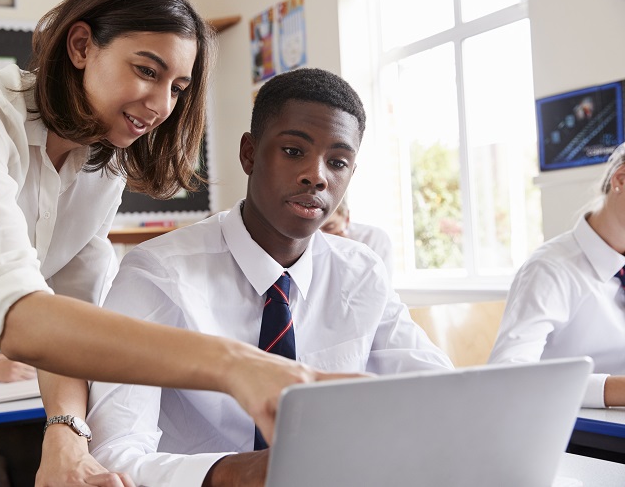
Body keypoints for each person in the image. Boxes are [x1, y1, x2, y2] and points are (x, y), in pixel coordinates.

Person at [0, 0, 338, 486]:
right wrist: (235, 365)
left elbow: (69, 320)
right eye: (146, 70)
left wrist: (65, 435)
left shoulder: (100, 169)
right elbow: (21, 318)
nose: (161, 106)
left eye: (177, 87)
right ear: (80, 46)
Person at [85, 68, 454, 487]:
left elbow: (441, 394)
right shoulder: (158, 272)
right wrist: (235, 474)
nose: (316, 175)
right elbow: (113, 454)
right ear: (249, 153)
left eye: (338, 162)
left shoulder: (361, 271)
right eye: (294, 151)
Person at [488, 143, 625, 408]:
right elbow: (507, 376)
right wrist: (616, 390)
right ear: (621, 179)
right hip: (573, 434)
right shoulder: (550, 269)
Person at [320, 198, 395, 278]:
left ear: (347, 218)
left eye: (329, 227)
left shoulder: (373, 237)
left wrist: (348, 253)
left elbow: (378, 283)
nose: (321, 236)